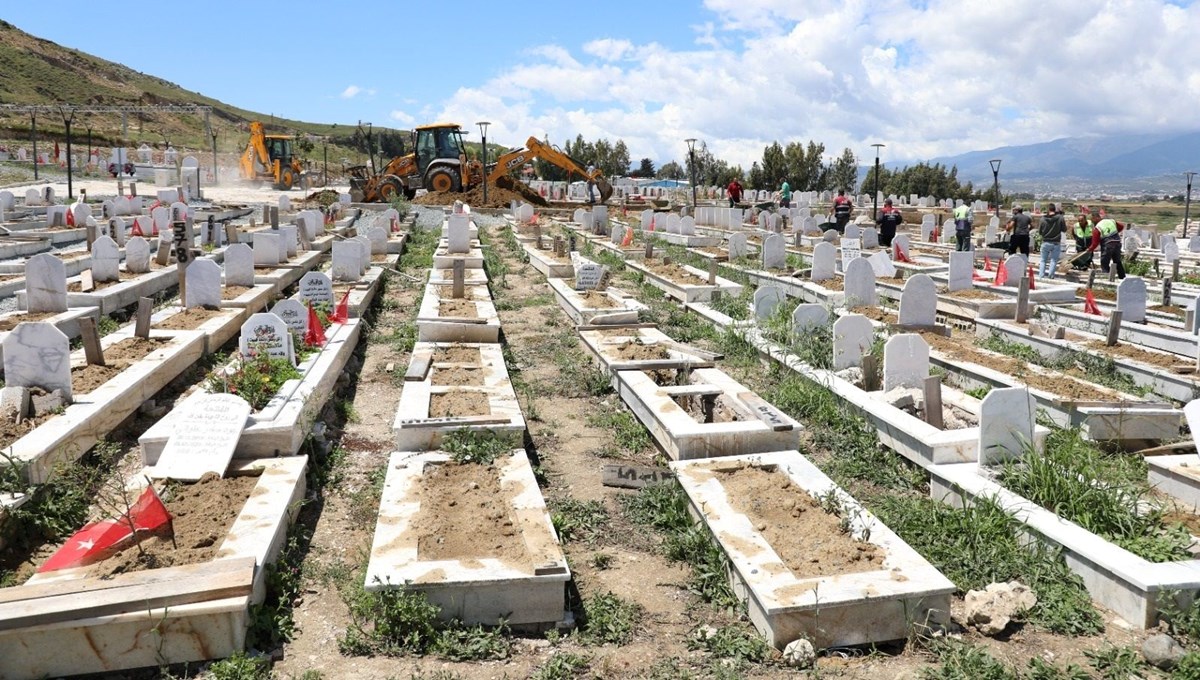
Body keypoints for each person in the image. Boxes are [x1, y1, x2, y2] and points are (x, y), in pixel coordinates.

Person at [1085, 211, 1127, 279]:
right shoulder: (1111, 221)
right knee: (1117, 261)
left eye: (1092, 220)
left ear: (1096, 218)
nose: (1092, 222)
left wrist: (1089, 249)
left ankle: (1106, 277)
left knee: (1104, 262)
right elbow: (1121, 227)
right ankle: (1122, 277)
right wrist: (1114, 234)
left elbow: (1095, 243)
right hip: (1117, 242)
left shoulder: (1097, 227)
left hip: (1107, 245)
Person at [1037, 203, 1065, 278]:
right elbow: (1064, 229)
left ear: (1048, 210)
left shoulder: (1043, 219)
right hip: (1056, 242)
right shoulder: (1060, 218)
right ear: (1055, 210)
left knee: (1043, 260)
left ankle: (1041, 275)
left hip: (1045, 242)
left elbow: (1039, 231)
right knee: (1054, 260)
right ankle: (1051, 275)